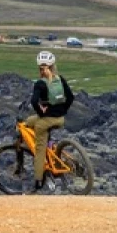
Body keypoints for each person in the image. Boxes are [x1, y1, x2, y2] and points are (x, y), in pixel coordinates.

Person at [22, 50, 74, 190]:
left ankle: (38, 181)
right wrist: (62, 111)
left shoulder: (40, 83)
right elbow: (70, 97)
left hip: (46, 121)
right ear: (53, 66)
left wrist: (41, 112)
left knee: (39, 150)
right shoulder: (60, 79)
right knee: (29, 121)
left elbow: (34, 102)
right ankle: (50, 147)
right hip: (60, 119)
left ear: (40, 68)